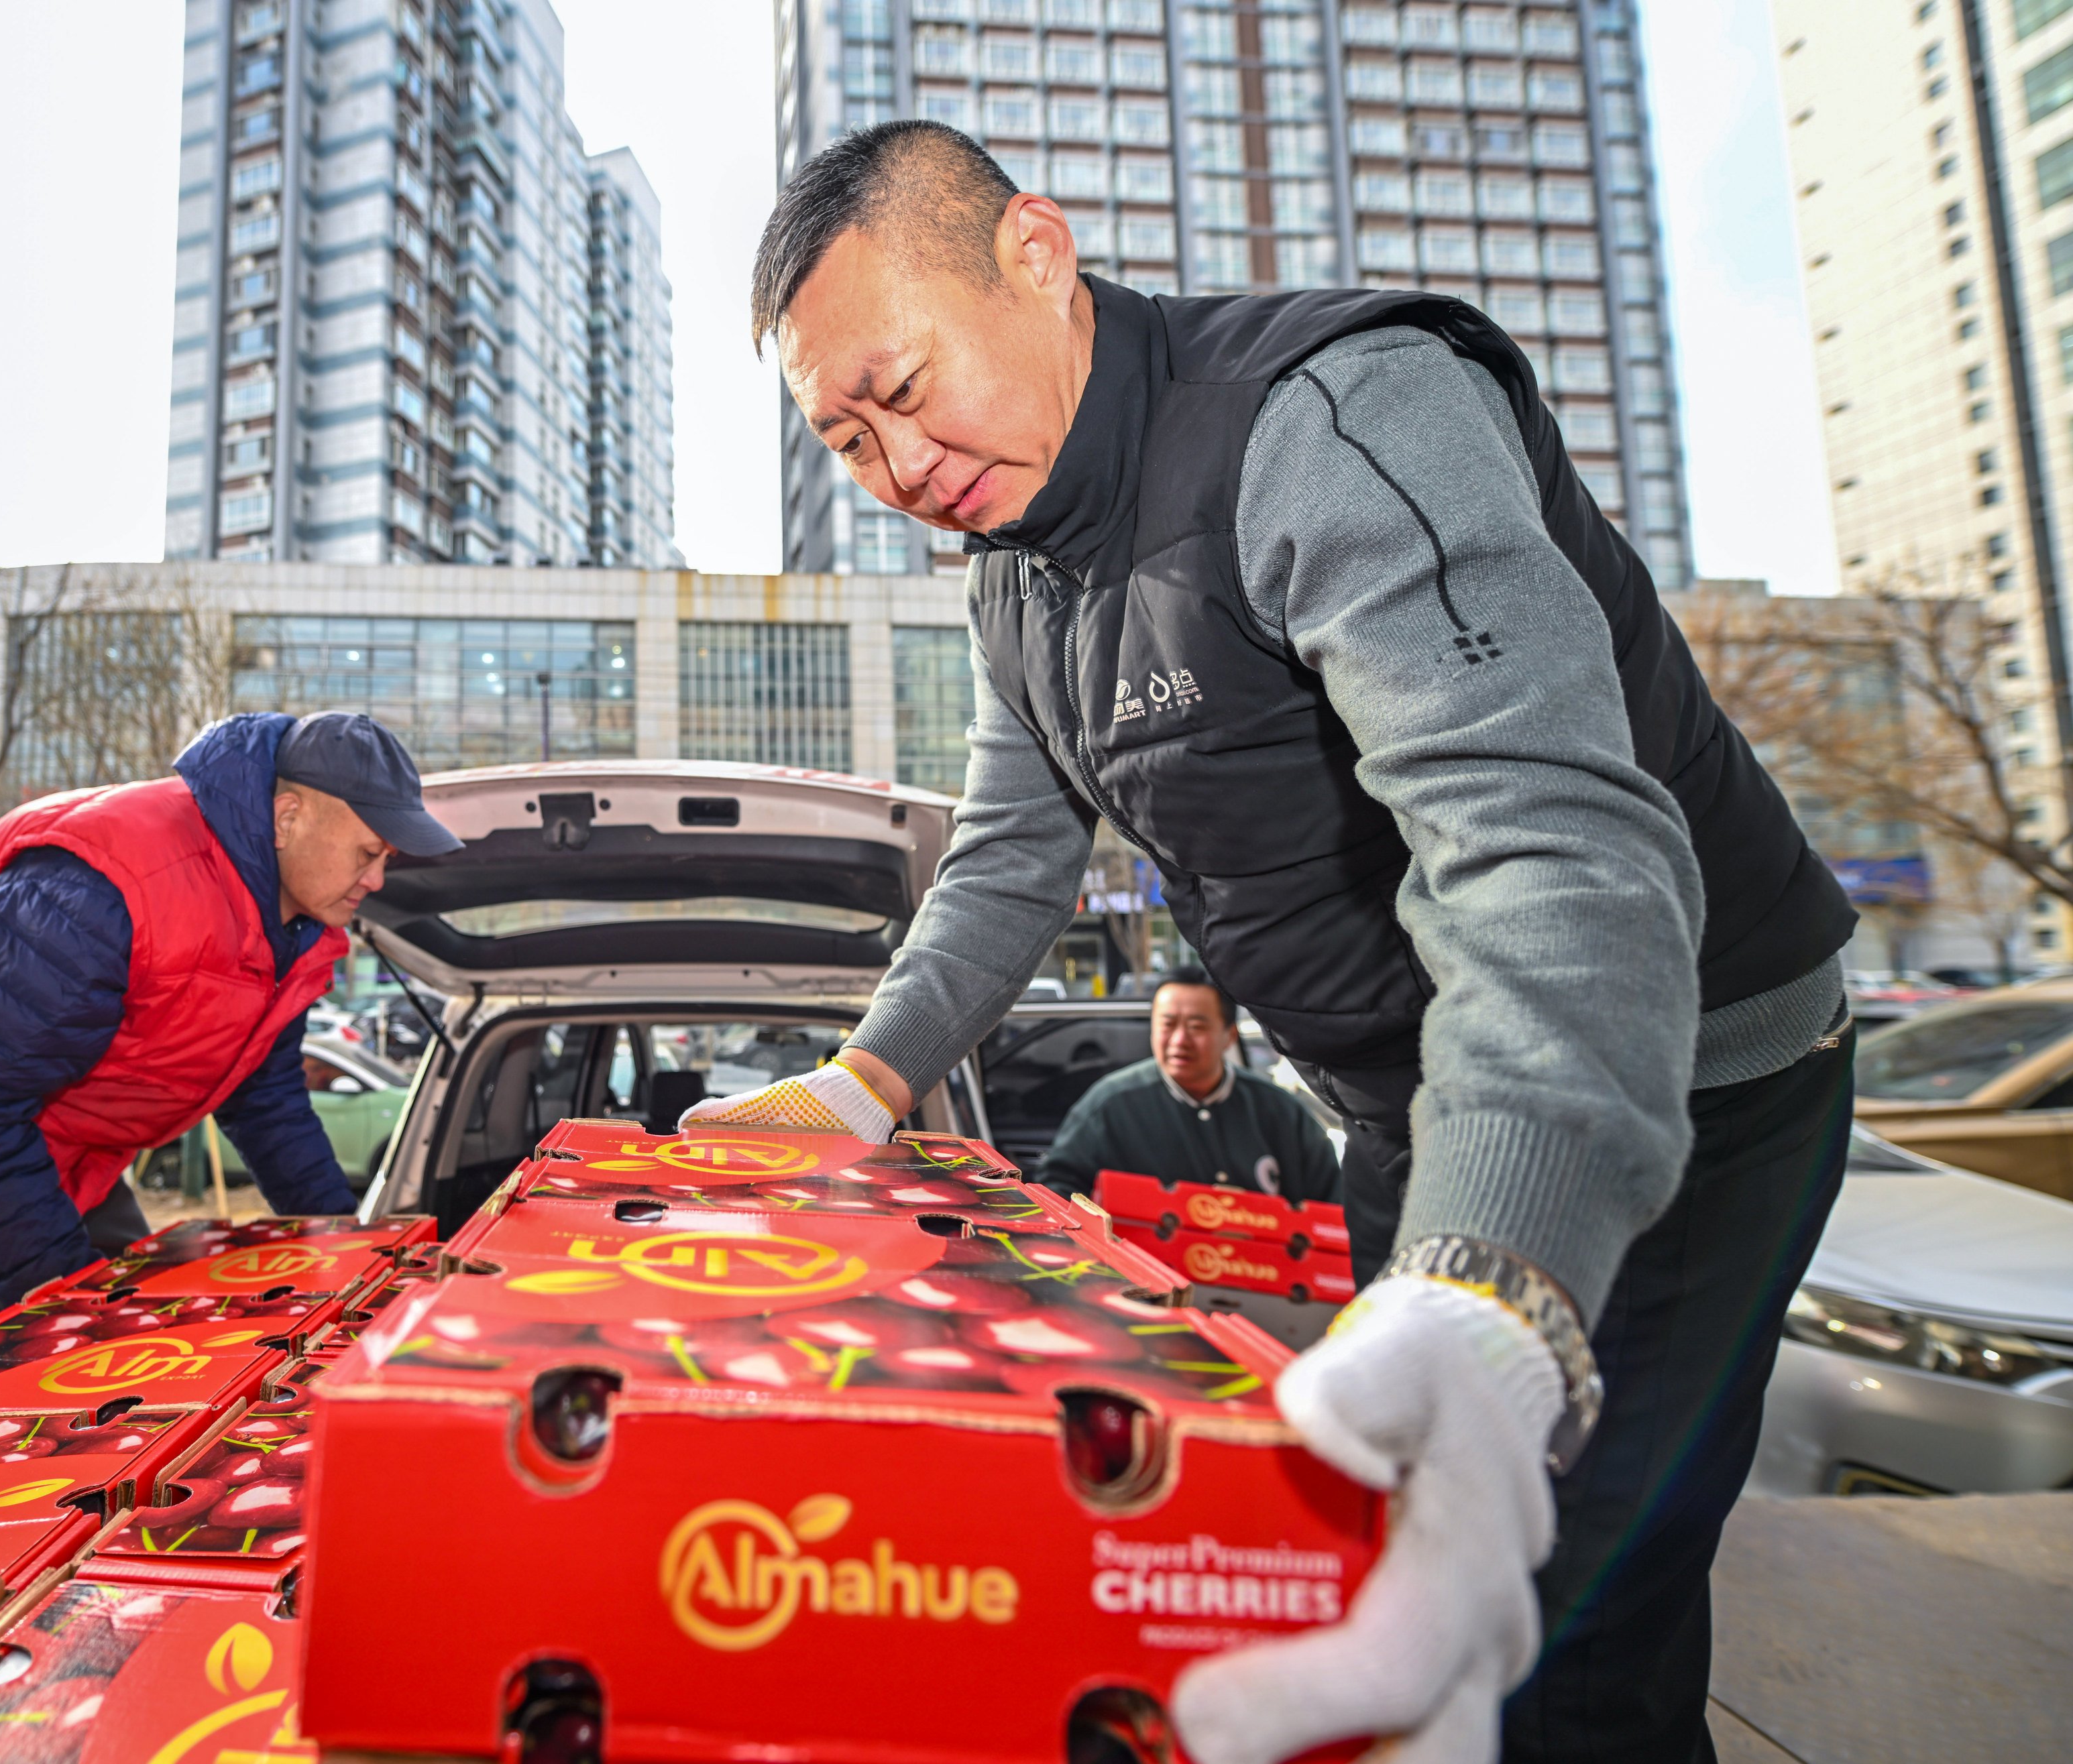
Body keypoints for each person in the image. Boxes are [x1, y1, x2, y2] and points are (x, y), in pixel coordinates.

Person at [688, 121, 1855, 1764]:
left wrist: (1496, 1288)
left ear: (1036, 251)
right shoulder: (1015, 585)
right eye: (847, 436)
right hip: (1404, 1098)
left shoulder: (1331, 414)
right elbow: (1011, 857)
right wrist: (861, 1083)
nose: (894, 463)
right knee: (1398, 1565)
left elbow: (1546, 850)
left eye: (904, 381)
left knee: (1550, 1619)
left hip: (1684, 1068)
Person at [0, 711, 461, 1442]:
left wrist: (351, 1249)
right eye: (368, 851)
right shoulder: (110, 878)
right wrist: (81, 1322)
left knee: (143, 1403)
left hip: (43, 1146)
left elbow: (265, 1098)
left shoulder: (298, 930)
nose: (378, 877)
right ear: (286, 815)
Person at [1035, 967, 1340, 1205]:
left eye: (1197, 1027)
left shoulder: (1279, 1111)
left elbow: (1331, 1202)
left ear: (1229, 1036)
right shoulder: (1109, 1106)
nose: (1180, 1040)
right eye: (1168, 1024)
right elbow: (1059, 1190)